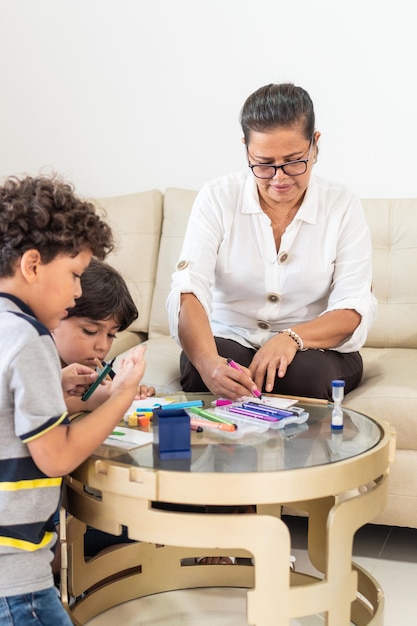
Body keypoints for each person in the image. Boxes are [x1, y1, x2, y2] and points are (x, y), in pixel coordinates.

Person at [167, 82, 377, 401]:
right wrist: (210, 364)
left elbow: (352, 306)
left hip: (313, 349)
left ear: (315, 144)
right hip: (231, 337)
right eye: (263, 164)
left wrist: (292, 337)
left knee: (305, 375)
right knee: (204, 367)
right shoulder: (217, 197)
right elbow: (189, 289)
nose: (279, 178)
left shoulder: (343, 205)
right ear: (246, 150)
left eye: (294, 161)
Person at [0, 173, 147, 626]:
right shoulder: (29, 341)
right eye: (75, 275)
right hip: (14, 572)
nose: (78, 291)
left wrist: (64, 395)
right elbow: (57, 456)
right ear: (31, 265)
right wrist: (121, 394)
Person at [53, 257, 155, 415]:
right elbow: (25, 413)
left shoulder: (100, 372)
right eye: (90, 331)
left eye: (111, 335)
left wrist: (130, 391)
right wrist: (84, 403)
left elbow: (114, 393)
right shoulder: (33, 365)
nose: (102, 346)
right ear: (53, 317)